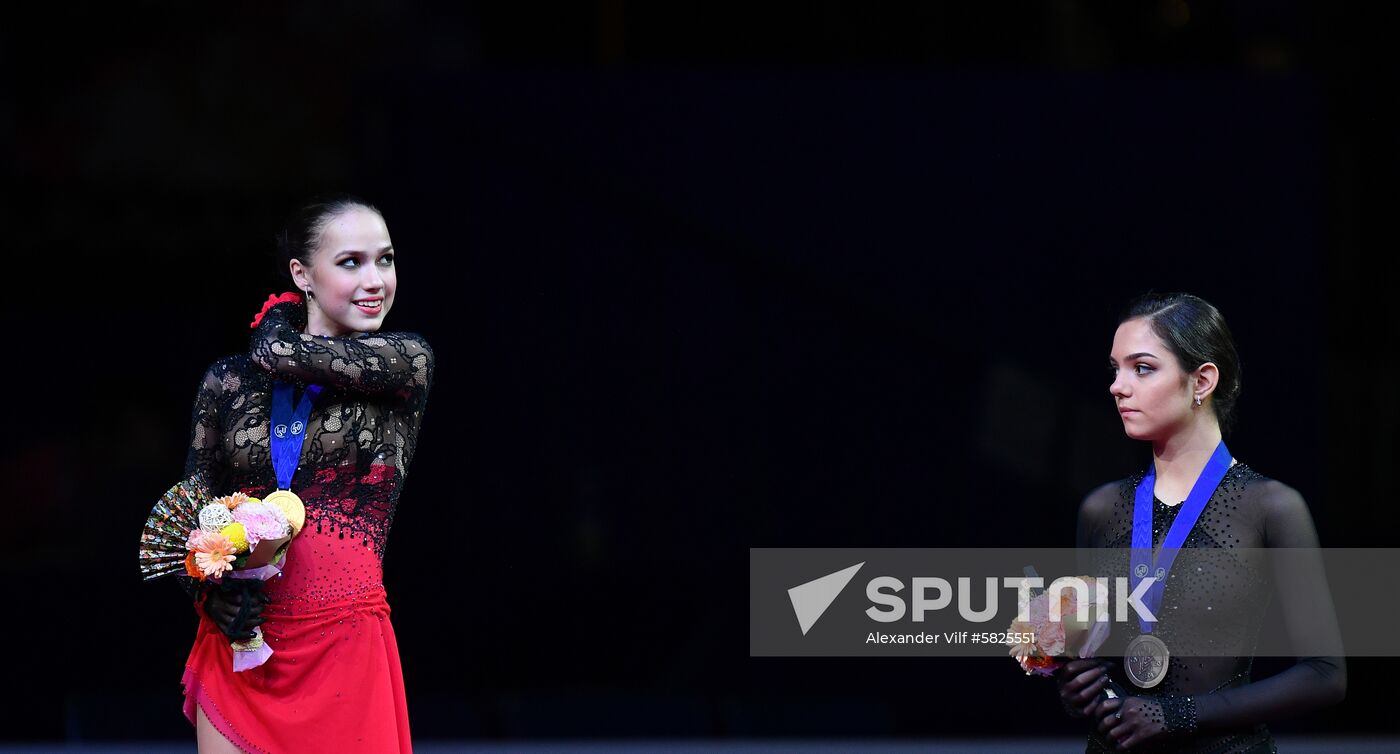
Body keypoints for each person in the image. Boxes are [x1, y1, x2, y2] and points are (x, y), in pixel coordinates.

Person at [177, 196, 434, 753]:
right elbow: (190, 507)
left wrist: (278, 317)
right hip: (244, 644)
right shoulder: (229, 381)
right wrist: (204, 590)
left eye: (385, 260)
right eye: (351, 262)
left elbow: (279, 352)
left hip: (344, 641)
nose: (375, 280)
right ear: (302, 273)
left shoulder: (405, 364)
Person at [1056, 292, 1344, 753]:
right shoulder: (1101, 509)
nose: (1118, 385)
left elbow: (1325, 675)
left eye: (1142, 368)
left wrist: (1181, 715)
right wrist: (1078, 688)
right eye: (1115, 368)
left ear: (1202, 380)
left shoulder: (1268, 506)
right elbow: (1091, 657)